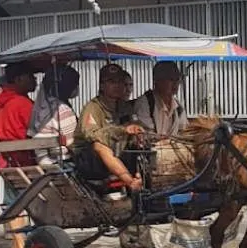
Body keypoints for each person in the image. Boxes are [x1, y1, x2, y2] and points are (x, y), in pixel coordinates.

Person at [74, 62, 144, 191]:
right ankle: (130, 182)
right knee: (99, 145)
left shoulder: (124, 106)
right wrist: (121, 130)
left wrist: (137, 132)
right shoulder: (93, 107)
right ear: (102, 85)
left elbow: (135, 123)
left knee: (142, 143)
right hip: (89, 161)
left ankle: (145, 179)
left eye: (120, 82)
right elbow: (91, 134)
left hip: (118, 154)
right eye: (111, 82)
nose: (117, 86)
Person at [0, 62, 38, 248]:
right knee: (30, 201)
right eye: (31, 76)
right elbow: (35, 130)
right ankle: (21, 243)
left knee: (14, 203)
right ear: (19, 79)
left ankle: (17, 243)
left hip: (8, 161)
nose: (35, 80)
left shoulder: (1, 105)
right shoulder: (23, 103)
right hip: (26, 161)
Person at [28, 65, 80, 165]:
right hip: (63, 164)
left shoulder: (41, 108)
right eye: (75, 84)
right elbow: (73, 144)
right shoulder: (62, 110)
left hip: (43, 163)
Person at [132, 61, 188, 137]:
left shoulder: (178, 107)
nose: (175, 83)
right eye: (171, 79)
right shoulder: (145, 103)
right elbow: (145, 133)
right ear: (157, 81)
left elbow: (184, 131)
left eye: (177, 79)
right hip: (152, 148)